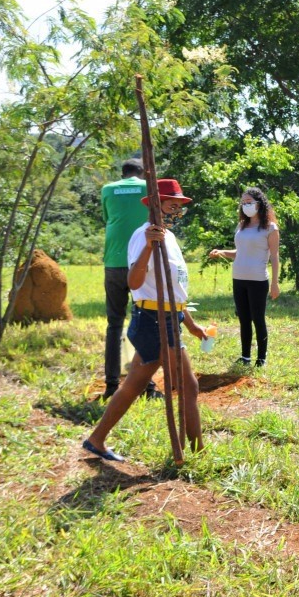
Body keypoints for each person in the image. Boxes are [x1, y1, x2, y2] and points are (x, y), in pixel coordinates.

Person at [81, 179, 208, 462]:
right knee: (188, 386)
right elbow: (134, 281)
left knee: (135, 385)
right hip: (154, 320)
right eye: (171, 205)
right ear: (154, 204)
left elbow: (171, 290)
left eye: (179, 207)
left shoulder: (170, 238)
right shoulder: (143, 236)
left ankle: (96, 439)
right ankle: (198, 452)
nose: (176, 211)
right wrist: (150, 247)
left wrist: (189, 323)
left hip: (166, 317)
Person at [100, 158, 161, 400]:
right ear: (143, 172)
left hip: (114, 262)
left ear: (122, 173)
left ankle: (112, 385)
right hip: (142, 262)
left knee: (114, 324)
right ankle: (148, 387)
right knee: (147, 322)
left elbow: (108, 218)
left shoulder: (107, 189)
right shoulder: (150, 187)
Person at [208, 187, 281, 367]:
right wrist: (222, 252)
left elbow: (274, 256)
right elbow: (241, 252)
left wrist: (275, 283)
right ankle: (245, 357)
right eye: (243, 203)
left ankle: (261, 358)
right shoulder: (241, 226)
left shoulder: (270, 228)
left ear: (259, 204)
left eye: (249, 202)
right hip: (238, 278)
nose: (246, 206)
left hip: (258, 280)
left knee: (258, 318)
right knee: (243, 318)